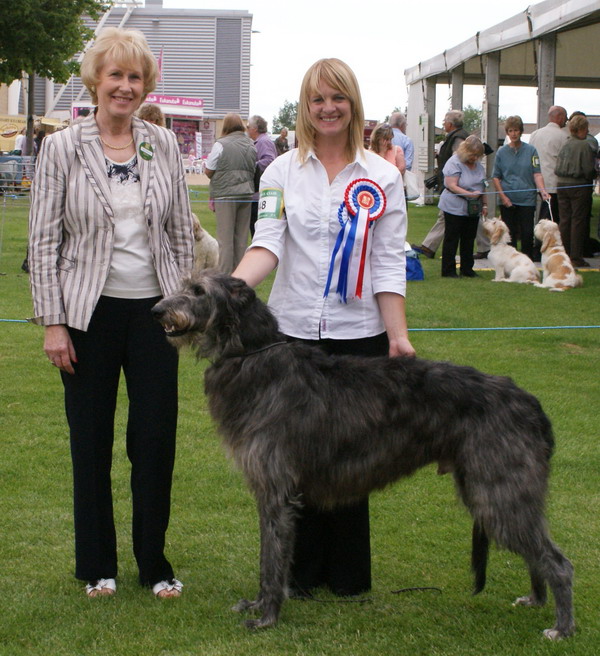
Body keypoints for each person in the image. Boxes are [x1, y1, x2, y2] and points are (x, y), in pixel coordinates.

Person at [232, 58, 415, 598]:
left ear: (353, 104)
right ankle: (299, 574)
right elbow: (267, 242)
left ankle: (349, 575)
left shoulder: (382, 177)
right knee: (292, 458)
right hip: (289, 334)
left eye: (337, 98)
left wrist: (397, 335)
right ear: (305, 108)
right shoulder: (279, 172)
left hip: (359, 334)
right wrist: (233, 290)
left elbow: (386, 263)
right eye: (317, 100)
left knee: (351, 455)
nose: (328, 108)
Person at [28, 27, 194, 599]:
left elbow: (179, 234)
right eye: (116, 75)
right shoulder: (61, 148)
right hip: (86, 316)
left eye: (135, 77)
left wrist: (185, 304)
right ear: (95, 80)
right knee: (90, 442)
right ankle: (98, 564)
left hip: (156, 317)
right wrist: (53, 322)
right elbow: (44, 241)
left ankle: (154, 563)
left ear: (147, 85)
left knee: (154, 442)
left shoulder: (163, 145)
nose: (125, 87)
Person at [412, 111, 488, 259]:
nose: (443, 123)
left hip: (460, 193)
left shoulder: (458, 139)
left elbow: (459, 160)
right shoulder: (455, 136)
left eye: (444, 121)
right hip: (457, 192)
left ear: (450, 124)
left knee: (461, 221)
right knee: (448, 219)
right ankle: (429, 246)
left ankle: (485, 246)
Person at [492, 115, 550, 259]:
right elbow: (496, 177)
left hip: (527, 199)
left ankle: (527, 261)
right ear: (507, 132)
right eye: (510, 131)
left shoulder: (531, 151)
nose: (513, 134)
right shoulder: (501, 152)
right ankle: (511, 262)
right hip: (508, 199)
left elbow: (537, 173)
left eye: (516, 130)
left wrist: (543, 191)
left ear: (521, 131)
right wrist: (503, 196)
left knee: (527, 232)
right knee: (509, 233)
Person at [205, 113, 256, 272]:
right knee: (241, 239)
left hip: (225, 195)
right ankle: (240, 276)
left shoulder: (220, 144)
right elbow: (253, 168)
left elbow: (209, 170)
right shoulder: (251, 144)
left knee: (225, 240)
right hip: (246, 194)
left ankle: (225, 277)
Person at [438, 136, 488, 277]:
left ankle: (467, 269)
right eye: (472, 155)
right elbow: (451, 185)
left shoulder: (479, 166)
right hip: (454, 205)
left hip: (472, 208)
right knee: (452, 238)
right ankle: (448, 270)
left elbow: (484, 186)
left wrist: (484, 204)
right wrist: (469, 194)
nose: (474, 158)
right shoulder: (454, 162)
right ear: (465, 151)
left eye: (477, 156)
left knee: (469, 238)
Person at [555, 114, 597, 267]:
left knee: (565, 220)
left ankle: (564, 253)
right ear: (580, 129)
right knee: (578, 221)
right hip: (579, 185)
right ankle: (576, 256)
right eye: (586, 128)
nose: (587, 131)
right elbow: (587, 169)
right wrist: (594, 174)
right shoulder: (584, 145)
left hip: (561, 184)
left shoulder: (565, 143)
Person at [529, 105, 568, 223]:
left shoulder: (534, 134)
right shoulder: (563, 136)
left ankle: (539, 238)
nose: (566, 121)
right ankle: (542, 240)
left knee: (545, 212)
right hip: (553, 183)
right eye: (565, 118)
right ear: (560, 117)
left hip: (535, 181)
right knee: (550, 216)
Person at [247, 114, 277, 236]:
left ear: (255, 128)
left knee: (257, 229)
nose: (247, 129)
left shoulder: (264, 142)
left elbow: (270, 160)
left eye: (248, 127)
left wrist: (252, 165)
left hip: (261, 193)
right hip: (257, 192)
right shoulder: (259, 141)